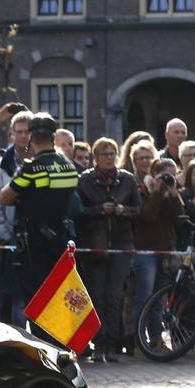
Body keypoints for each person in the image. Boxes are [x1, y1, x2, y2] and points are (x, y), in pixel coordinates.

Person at [0, 113, 80, 344]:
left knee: (37, 299)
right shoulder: (69, 166)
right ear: (53, 138)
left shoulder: (31, 168)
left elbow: (4, 198)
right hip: (61, 241)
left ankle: (43, 349)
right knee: (60, 296)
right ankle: (63, 343)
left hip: (34, 245)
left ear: (32, 138)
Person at [73, 137, 139, 362]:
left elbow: (138, 210)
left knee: (114, 295)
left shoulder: (127, 180)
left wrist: (124, 210)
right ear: (96, 158)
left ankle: (112, 344)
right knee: (96, 296)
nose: (110, 158)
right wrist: (100, 210)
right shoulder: (85, 180)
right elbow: (79, 211)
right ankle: (98, 343)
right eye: (105, 154)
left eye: (113, 153)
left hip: (121, 243)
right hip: (95, 243)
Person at [130, 145, 183, 354]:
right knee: (144, 296)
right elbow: (149, 216)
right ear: (154, 174)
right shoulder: (141, 190)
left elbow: (180, 218)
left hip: (166, 251)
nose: (167, 179)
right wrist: (159, 192)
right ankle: (138, 342)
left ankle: (155, 339)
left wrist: (173, 193)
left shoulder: (170, 192)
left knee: (160, 299)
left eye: (171, 175)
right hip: (146, 252)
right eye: (163, 176)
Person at [0, 110, 33, 327]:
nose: (24, 136)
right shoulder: (1, 165)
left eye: (28, 132)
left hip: (35, 236)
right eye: (20, 132)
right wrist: (4, 233)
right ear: (12, 134)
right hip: (9, 237)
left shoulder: (40, 161)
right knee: (12, 295)